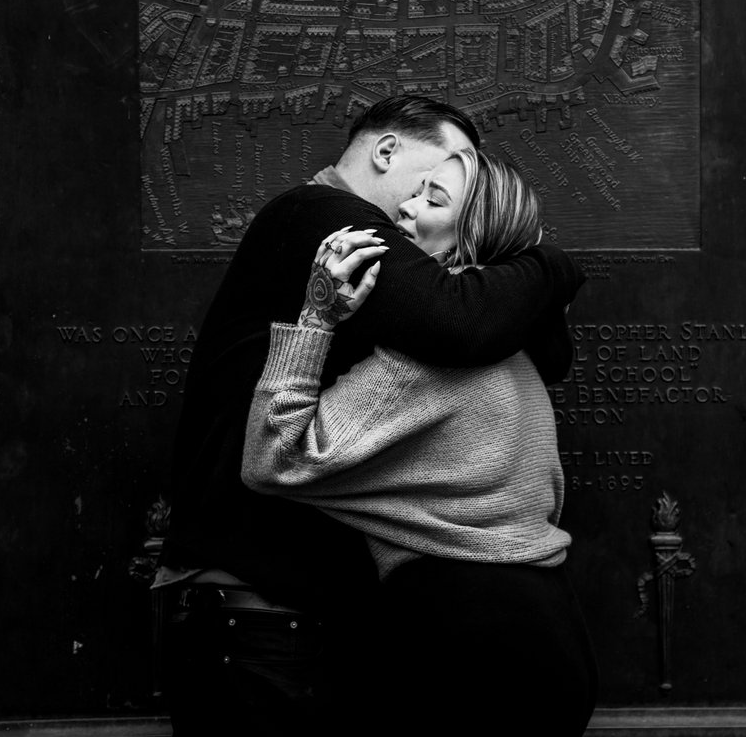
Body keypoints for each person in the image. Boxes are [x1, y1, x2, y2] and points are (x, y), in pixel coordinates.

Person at [156, 97, 584, 735]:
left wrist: (318, 321)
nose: (410, 210)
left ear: (469, 237)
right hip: (266, 618)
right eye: (430, 179)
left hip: (430, 640)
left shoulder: (448, 352)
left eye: (438, 200)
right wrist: (551, 264)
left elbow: (471, 321)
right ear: (388, 152)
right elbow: (465, 318)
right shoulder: (324, 217)